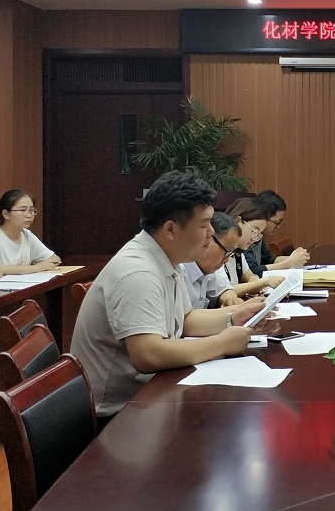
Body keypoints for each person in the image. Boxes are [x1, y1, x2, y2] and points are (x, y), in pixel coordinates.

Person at [70, 172, 266, 419]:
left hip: (150, 395)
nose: (210, 234)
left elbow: (187, 319)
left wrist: (234, 318)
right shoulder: (138, 272)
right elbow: (148, 354)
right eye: (204, 225)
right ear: (171, 229)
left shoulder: (167, 260)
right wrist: (223, 343)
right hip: (116, 414)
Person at [220, 197, 286, 305]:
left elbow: (249, 275)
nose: (254, 238)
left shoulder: (238, 252)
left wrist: (256, 285)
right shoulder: (218, 250)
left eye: (258, 235)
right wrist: (264, 282)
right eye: (254, 231)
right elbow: (223, 291)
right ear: (238, 221)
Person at [0, 189, 62, 272]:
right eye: (23, 210)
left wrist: (43, 265)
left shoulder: (26, 234)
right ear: (6, 214)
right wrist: (36, 268)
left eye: (32, 210)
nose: (29, 215)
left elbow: (55, 259)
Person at [181, 213, 242, 309]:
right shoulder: (179, 270)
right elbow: (187, 317)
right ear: (207, 238)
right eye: (227, 251)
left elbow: (224, 290)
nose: (226, 260)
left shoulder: (206, 270)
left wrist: (230, 299)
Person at [245, 190, 310, 274]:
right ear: (263, 216)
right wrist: (289, 262)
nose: (278, 226)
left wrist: (296, 258)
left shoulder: (259, 235)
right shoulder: (245, 236)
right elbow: (252, 271)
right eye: (276, 222)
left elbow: (269, 259)